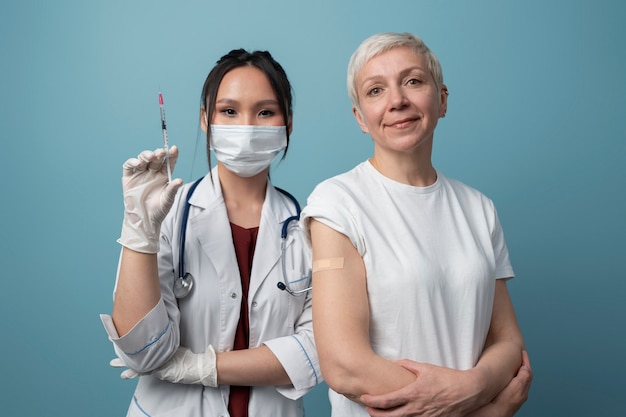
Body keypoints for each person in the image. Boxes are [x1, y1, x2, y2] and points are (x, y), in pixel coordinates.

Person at [300, 32, 531, 417]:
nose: (397, 101)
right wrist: (479, 411)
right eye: (375, 90)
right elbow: (345, 365)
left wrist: (472, 386)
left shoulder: (479, 209)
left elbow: (507, 341)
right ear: (360, 118)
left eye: (413, 81)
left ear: (441, 100)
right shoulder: (337, 203)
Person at [100, 49, 320, 417]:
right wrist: (139, 228)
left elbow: (317, 351)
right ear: (206, 119)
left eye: (265, 112)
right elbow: (143, 352)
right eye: (229, 111)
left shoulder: (312, 227)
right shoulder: (168, 214)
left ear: (288, 123)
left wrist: (200, 367)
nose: (246, 126)